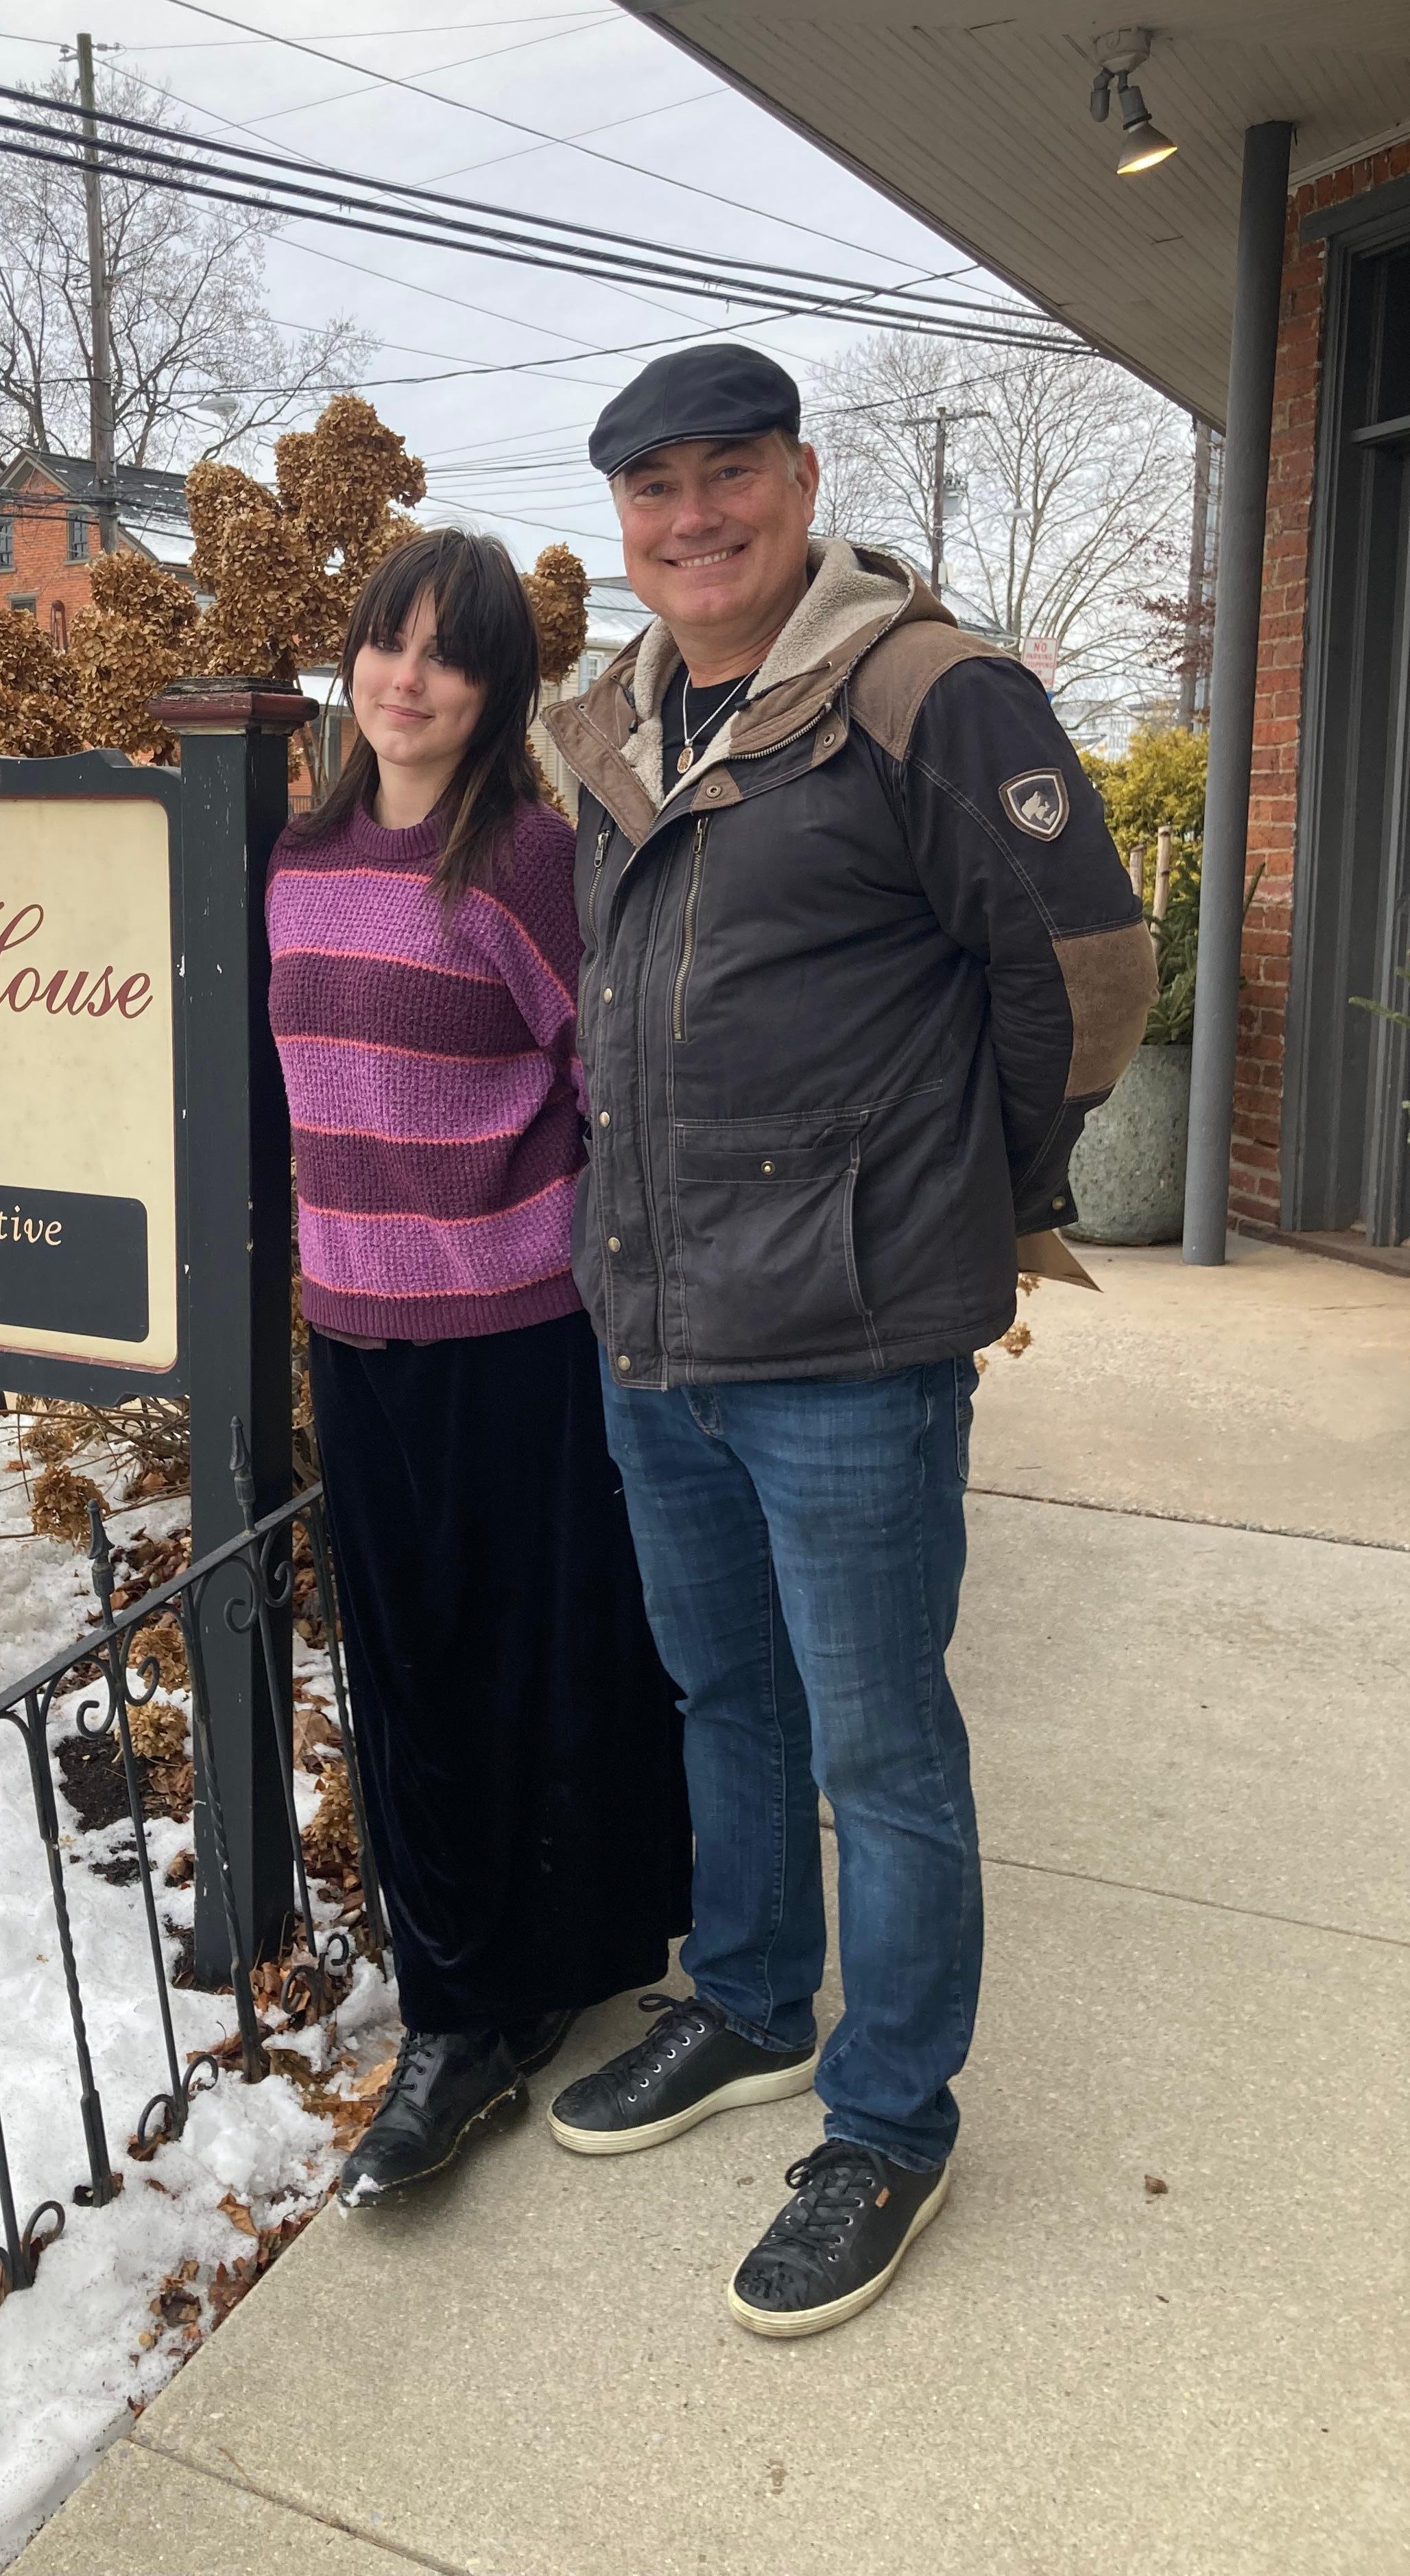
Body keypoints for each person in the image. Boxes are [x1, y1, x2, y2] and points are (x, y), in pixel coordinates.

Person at [540, 344, 1154, 2335]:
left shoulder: (925, 695)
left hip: (852, 1344)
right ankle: (748, 2002)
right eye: (653, 490)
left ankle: (888, 2119)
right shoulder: (615, 719)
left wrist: (973, 1189)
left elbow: (1086, 971)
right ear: (620, 518)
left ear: (801, 483)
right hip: (657, 1322)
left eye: (727, 475)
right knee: (726, 1694)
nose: (691, 519)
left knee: (883, 1749)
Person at [267, 525, 690, 2207]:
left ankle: (469, 2022)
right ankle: (481, 1985)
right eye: (389, 640)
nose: (408, 678)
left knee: (529, 1669)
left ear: (502, 687)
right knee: (409, 1682)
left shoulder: (522, 861)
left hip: (516, 1338)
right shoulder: (298, 859)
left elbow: (612, 1082)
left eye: (449, 653)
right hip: (353, 1330)